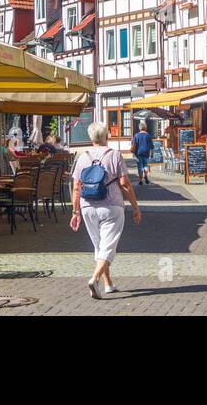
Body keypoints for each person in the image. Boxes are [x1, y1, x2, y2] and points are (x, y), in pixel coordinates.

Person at [70, 122, 141, 299]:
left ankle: (108, 283)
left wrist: (75, 211)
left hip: (88, 206)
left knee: (100, 247)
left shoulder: (82, 157)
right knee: (108, 247)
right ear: (106, 137)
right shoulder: (114, 155)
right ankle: (94, 279)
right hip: (111, 205)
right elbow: (124, 183)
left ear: (90, 137)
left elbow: (76, 187)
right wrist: (135, 206)